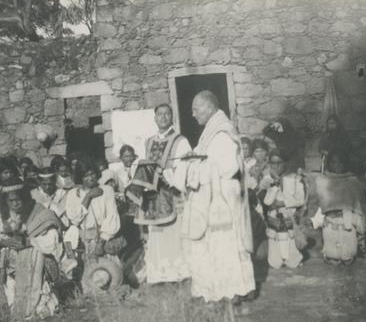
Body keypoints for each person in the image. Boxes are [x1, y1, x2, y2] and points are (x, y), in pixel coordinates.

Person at [178, 90, 255, 303]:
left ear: (209, 107)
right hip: (213, 191)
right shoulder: (210, 133)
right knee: (215, 243)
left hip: (222, 194)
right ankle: (223, 288)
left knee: (226, 243)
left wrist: (197, 166)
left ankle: (232, 290)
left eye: (195, 109)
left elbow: (228, 167)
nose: (193, 115)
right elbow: (208, 157)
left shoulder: (222, 132)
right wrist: (195, 158)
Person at [0, 178, 72, 318]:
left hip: (36, 262)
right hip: (13, 266)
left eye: (19, 199)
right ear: (5, 202)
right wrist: (4, 243)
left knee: (40, 303)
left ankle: (41, 315)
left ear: (25, 197)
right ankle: (21, 319)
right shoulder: (1, 215)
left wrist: (29, 242)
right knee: (14, 296)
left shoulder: (41, 213)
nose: (15, 203)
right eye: (11, 201)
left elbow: (52, 241)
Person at [131, 103, 192, 284]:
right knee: (156, 234)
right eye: (160, 114)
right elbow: (142, 164)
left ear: (172, 117)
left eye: (167, 114)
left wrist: (169, 176)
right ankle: (158, 274)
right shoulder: (148, 141)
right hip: (152, 196)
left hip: (171, 193)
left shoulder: (180, 141)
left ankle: (177, 273)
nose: (163, 117)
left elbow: (186, 165)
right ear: (155, 118)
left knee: (173, 233)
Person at [310, 151, 366, 264]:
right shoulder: (323, 180)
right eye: (334, 162)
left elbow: (359, 205)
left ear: (345, 164)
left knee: (348, 257)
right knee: (332, 257)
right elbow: (319, 203)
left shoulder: (352, 181)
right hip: (331, 223)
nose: (337, 165)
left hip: (348, 223)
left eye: (341, 162)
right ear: (329, 163)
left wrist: (359, 225)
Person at [64, 159, 123, 268]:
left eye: (92, 174)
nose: (90, 178)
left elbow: (112, 217)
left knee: (108, 274)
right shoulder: (73, 194)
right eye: (86, 176)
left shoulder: (107, 190)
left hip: (103, 240)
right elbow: (74, 219)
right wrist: (88, 196)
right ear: (80, 178)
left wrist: (101, 242)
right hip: (83, 243)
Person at [258, 149, 306, 269]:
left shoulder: (295, 178)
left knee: (292, 263)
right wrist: (273, 184)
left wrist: (283, 203)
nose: (276, 166)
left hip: (289, 220)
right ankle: (277, 255)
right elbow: (267, 201)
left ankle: (293, 256)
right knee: (275, 263)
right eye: (273, 163)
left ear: (285, 163)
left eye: (279, 163)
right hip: (274, 223)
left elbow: (301, 199)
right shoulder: (266, 179)